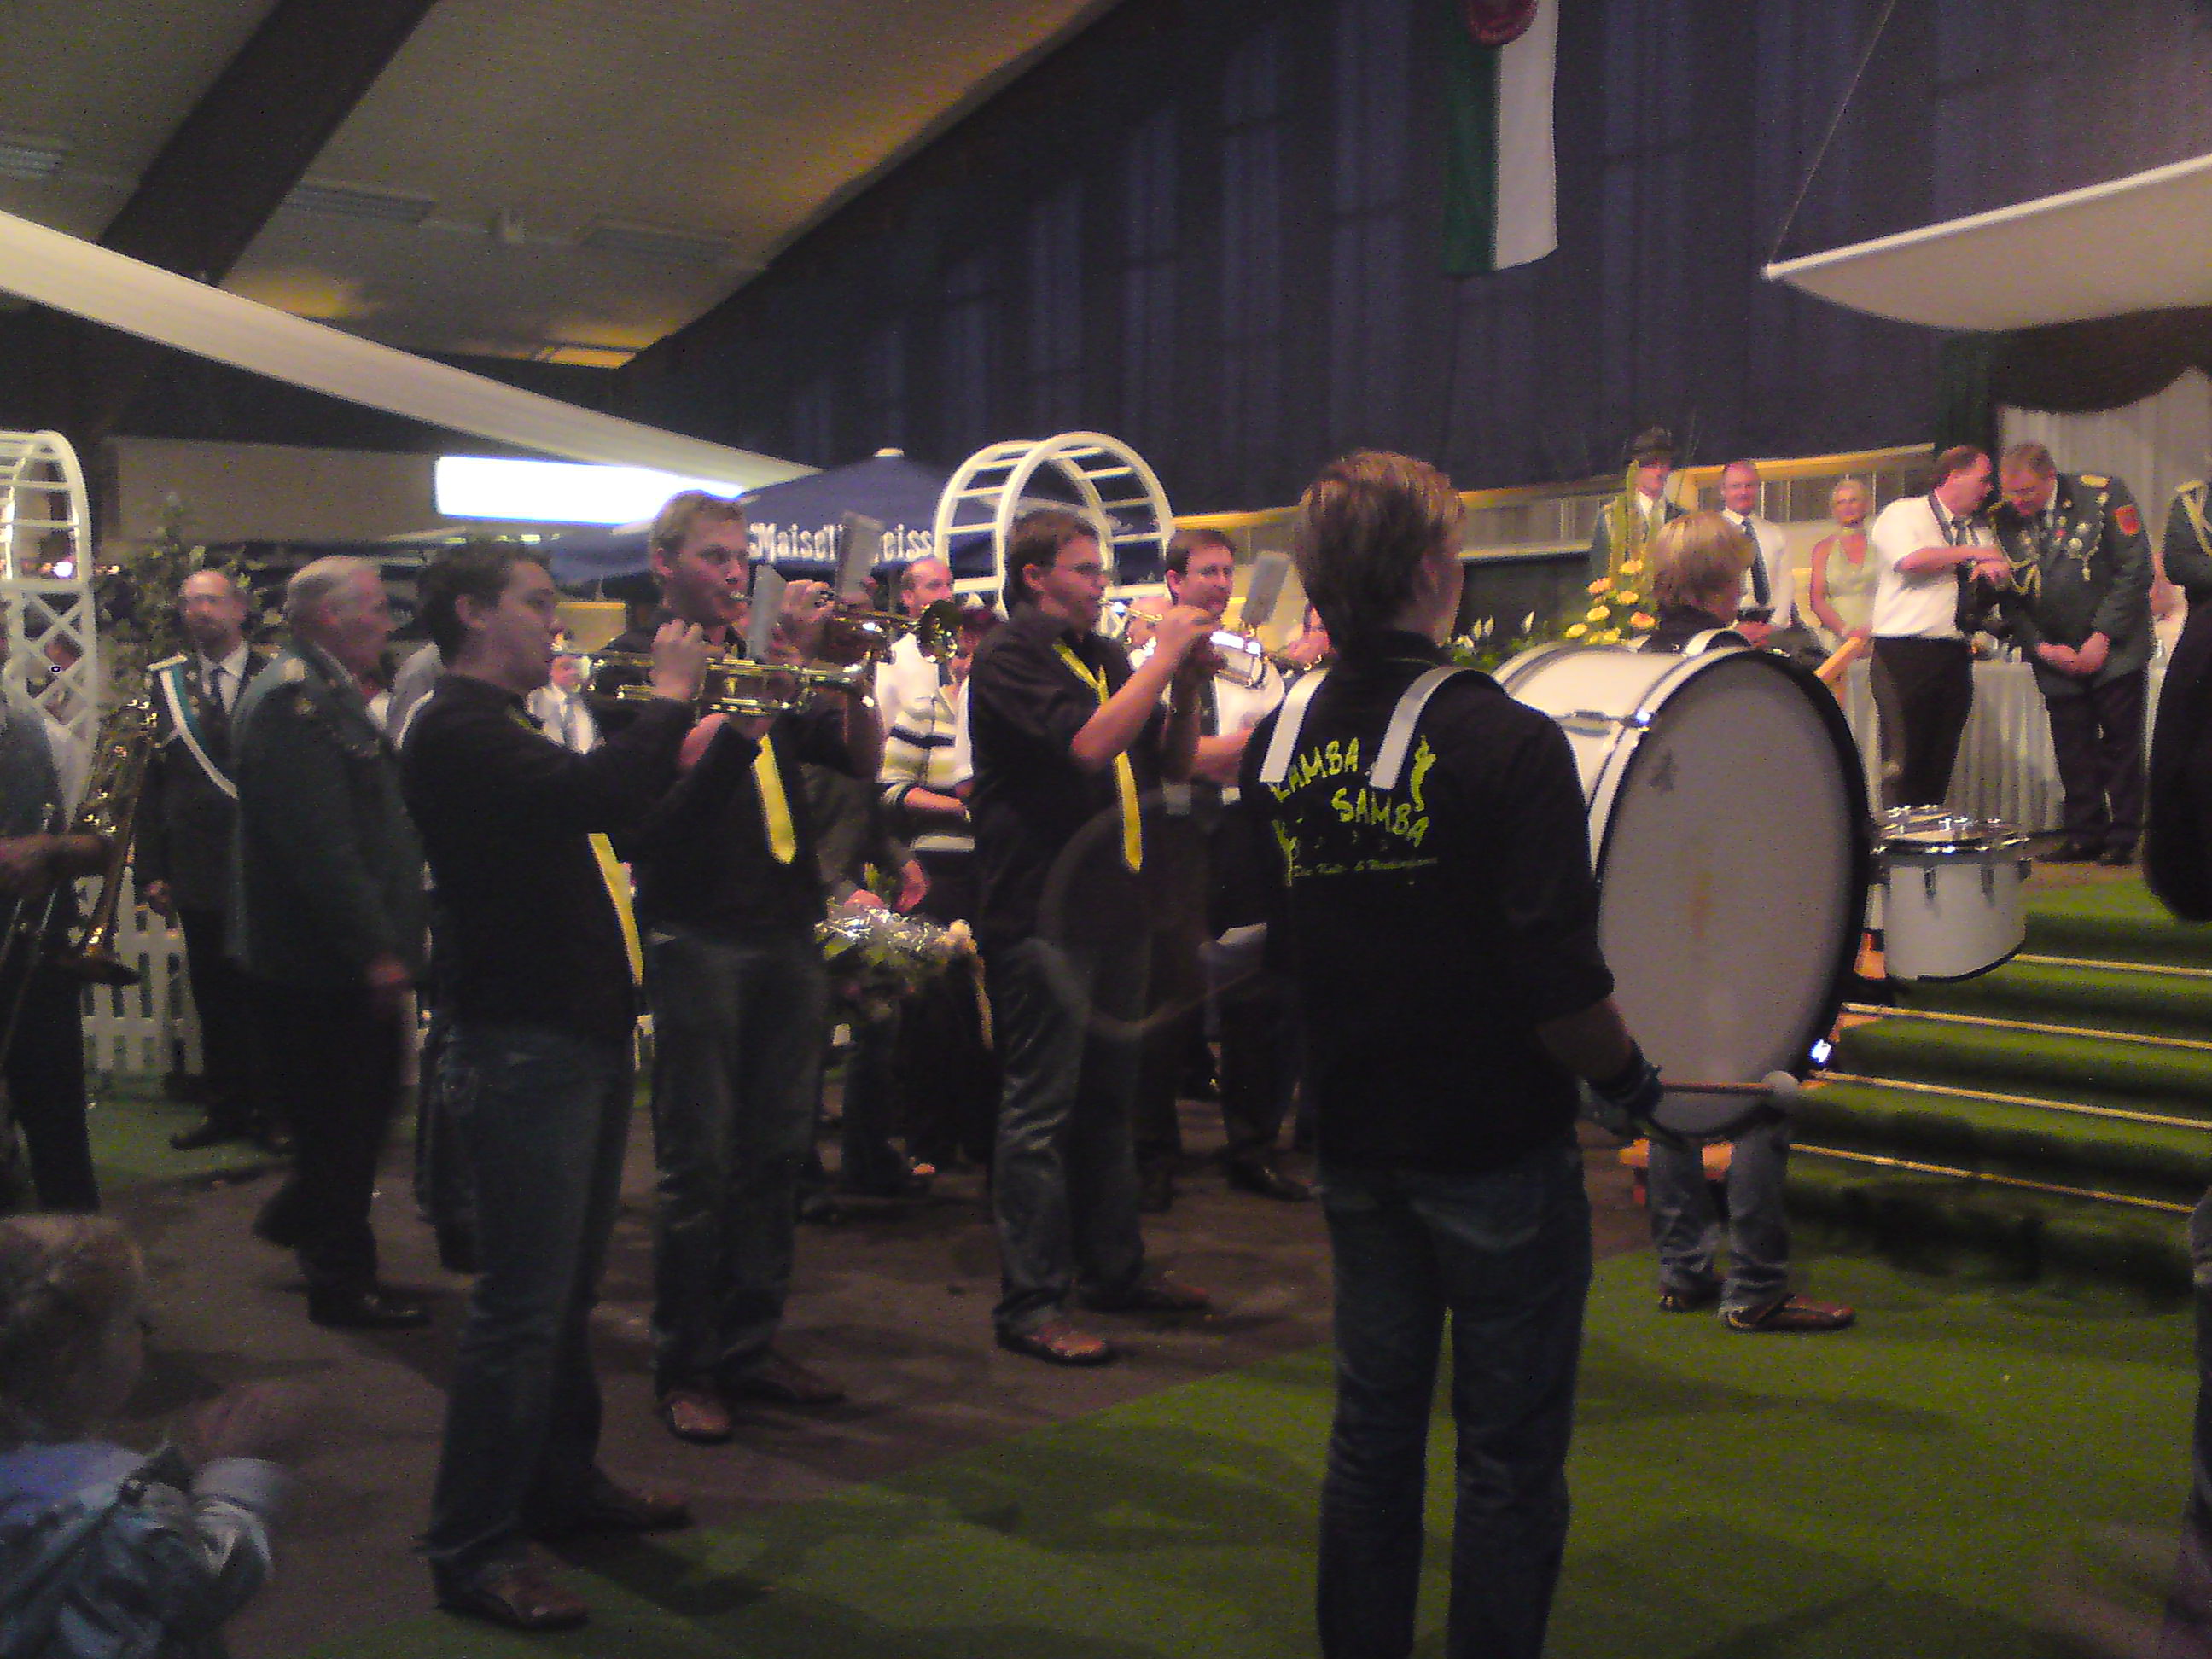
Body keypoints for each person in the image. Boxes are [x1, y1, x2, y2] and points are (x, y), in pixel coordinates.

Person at [1243, 450, 1668, 1659]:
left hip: (1355, 1140)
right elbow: (1561, 991)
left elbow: (1284, 948)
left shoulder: (1279, 739)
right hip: (1493, 1151)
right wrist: (1633, 1085)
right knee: (1508, 1459)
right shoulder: (1510, 742)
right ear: (1436, 571)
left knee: (1372, 1438)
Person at [403, 544, 705, 1632]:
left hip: (568, 1034)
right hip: (524, 1044)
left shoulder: (503, 725)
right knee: (520, 1312)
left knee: (561, 1299)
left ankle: (561, 1488)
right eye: (537, 603)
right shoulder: (454, 726)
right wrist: (669, 702)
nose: (557, 622)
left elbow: (633, 825)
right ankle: (472, 1548)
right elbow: (598, 791)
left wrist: (719, 746)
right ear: (473, 612)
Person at [609, 491, 873, 1443]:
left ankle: (750, 1347)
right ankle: (687, 1367)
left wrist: (848, 671)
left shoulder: (753, 659)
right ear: (663, 563)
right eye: (716, 556)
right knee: (699, 1165)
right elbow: (661, 778)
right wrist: (764, 677)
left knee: (775, 1155)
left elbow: (857, 760)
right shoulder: (638, 665)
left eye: (740, 556)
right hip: (699, 933)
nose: (735, 572)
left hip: (786, 928)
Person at [967, 508, 1215, 1365]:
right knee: (1039, 1113)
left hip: (1115, 909)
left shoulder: (1104, 656)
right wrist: (1164, 659)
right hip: (1042, 916)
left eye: (1100, 568)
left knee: (1110, 1105)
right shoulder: (1008, 655)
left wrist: (1187, 686)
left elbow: (1170, 766)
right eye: (1083, 568)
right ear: (1034, 575)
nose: (1101, 582)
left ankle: (1113, 1270)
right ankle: (1031, 1303)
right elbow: (1087, 746)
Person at [230, 556, 428, 1330]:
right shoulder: (295, 701)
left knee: (352, 1118)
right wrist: (375, 948)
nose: (387, 621)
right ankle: (342, 1283)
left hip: (323, 957)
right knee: (345, 1125)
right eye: (374, 607)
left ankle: (301, 1221)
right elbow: (320, 848)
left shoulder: (323, 689)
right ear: (329, 618)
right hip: (316, 963)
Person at [0, 1214, 295, 1657]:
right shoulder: (115, 1514)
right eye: (133, 1322)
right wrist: (235, 1479)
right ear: (73, 1362)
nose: (143, 1335)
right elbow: (204, 1582)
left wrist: (179, 1464)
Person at [1137, 527, 1307, 1204]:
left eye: (1226, 572)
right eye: (1206, 571)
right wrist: (1227, 749)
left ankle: (1253, 1148)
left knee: (1261, 995)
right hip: (1172, 833)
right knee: (1165, 998)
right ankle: (1152, 1154)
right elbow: (1167, 758)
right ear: (1174, 580)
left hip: (1242, 829)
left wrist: (1221, 753)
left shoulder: (1254, 663)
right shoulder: (1142, 659)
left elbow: (1274, 751)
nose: (1220, 583)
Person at [137, 569, 276, 1153]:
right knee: (214, 997)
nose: (200, 611)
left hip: (269, 862)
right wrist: (152, 868)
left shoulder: (279, 676)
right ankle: (227, 1107)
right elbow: (151, 782)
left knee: (268, 994)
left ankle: (275, 1110)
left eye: (212, 600)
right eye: (190, 602)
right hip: (198, 863)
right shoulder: (165, 683)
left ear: (240, 609)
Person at [1988, 443, 2154, 867]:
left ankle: (2123, 836)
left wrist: (2103, 635)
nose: (2019, 501)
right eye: (2012, 493)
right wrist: (2040, 646)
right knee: (2072, 748)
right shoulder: (2001, 520)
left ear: (2051, 477)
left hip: (2114, 649)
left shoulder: (2102, 496)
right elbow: (2010, 597)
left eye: (2027, 491)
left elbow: (2134, 569)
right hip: (2054, 653)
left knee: (2120, 745)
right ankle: (2083, 834)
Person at [878, 602, 1000, 1173]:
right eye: (960, 648)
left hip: (999, 873)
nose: (965, 658)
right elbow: (891, 790)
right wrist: (962, 807)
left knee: (993, 1010)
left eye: (977, 648)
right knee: (934, 1008)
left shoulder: (1003, 710)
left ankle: (985, 1135)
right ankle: (929, 1138)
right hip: (941, 875)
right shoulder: (924, 710)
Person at [0, 620, 103, 1214]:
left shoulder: (44, 735)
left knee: (58, 1127)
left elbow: (97, 838)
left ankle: (80, 1256)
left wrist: (52, 849)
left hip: (34, 956)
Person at [1865, 446, 2010, 810]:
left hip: (1954, 651)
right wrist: (1973, 554)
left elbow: (1993, 570)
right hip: (1904, 653)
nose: (1988, 489)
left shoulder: (1977, 529)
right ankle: (1900, 835)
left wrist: (1995, 574)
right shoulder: (1904, 513)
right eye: (1983, 480)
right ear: (1954, 476)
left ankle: (1929, 832)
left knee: (1940, 756)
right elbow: (1910, 561)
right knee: (1903, 760)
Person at [1641, 511, 1754, 652]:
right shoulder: (1725, 653)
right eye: (1739, 575)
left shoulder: (1640, 649)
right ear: (1717, 579)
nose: (1743, 591)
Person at [1716, 459, 1796, 647]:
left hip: (1772, 632)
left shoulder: (1774, 533)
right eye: (1736, 486)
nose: (1743, 492)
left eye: (1749, 485)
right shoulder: (1711, 533)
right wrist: (1733, 629)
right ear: (1723, 490)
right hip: (1728, 631)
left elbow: (1786, 583)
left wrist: (1774, 626)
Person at [1586, 426, 1683, 581]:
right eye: (1650, 465)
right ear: (1634, 468)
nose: (1658, 472)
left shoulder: (1681, 518)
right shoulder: (1611, 517)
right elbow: (1599, 575)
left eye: (1663, 464)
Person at [873, 554, 955, 725]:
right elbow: (883, 727)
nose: (947, 594)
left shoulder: (968, 652)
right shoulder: (893, 660)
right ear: (908, 597)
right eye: (934, 586)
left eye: (949, 585)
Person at [1808, 476, 1878, 646]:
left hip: (1880, 633)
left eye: (1853, 500)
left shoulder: (1882, 543)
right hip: (1837, 638)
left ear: (1867, 504)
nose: (1848, 507)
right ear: (1834, 509)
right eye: (1841, 502)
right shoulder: (1823, 549)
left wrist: (1872, 631)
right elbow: (1817, 600)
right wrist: (1846, 633)